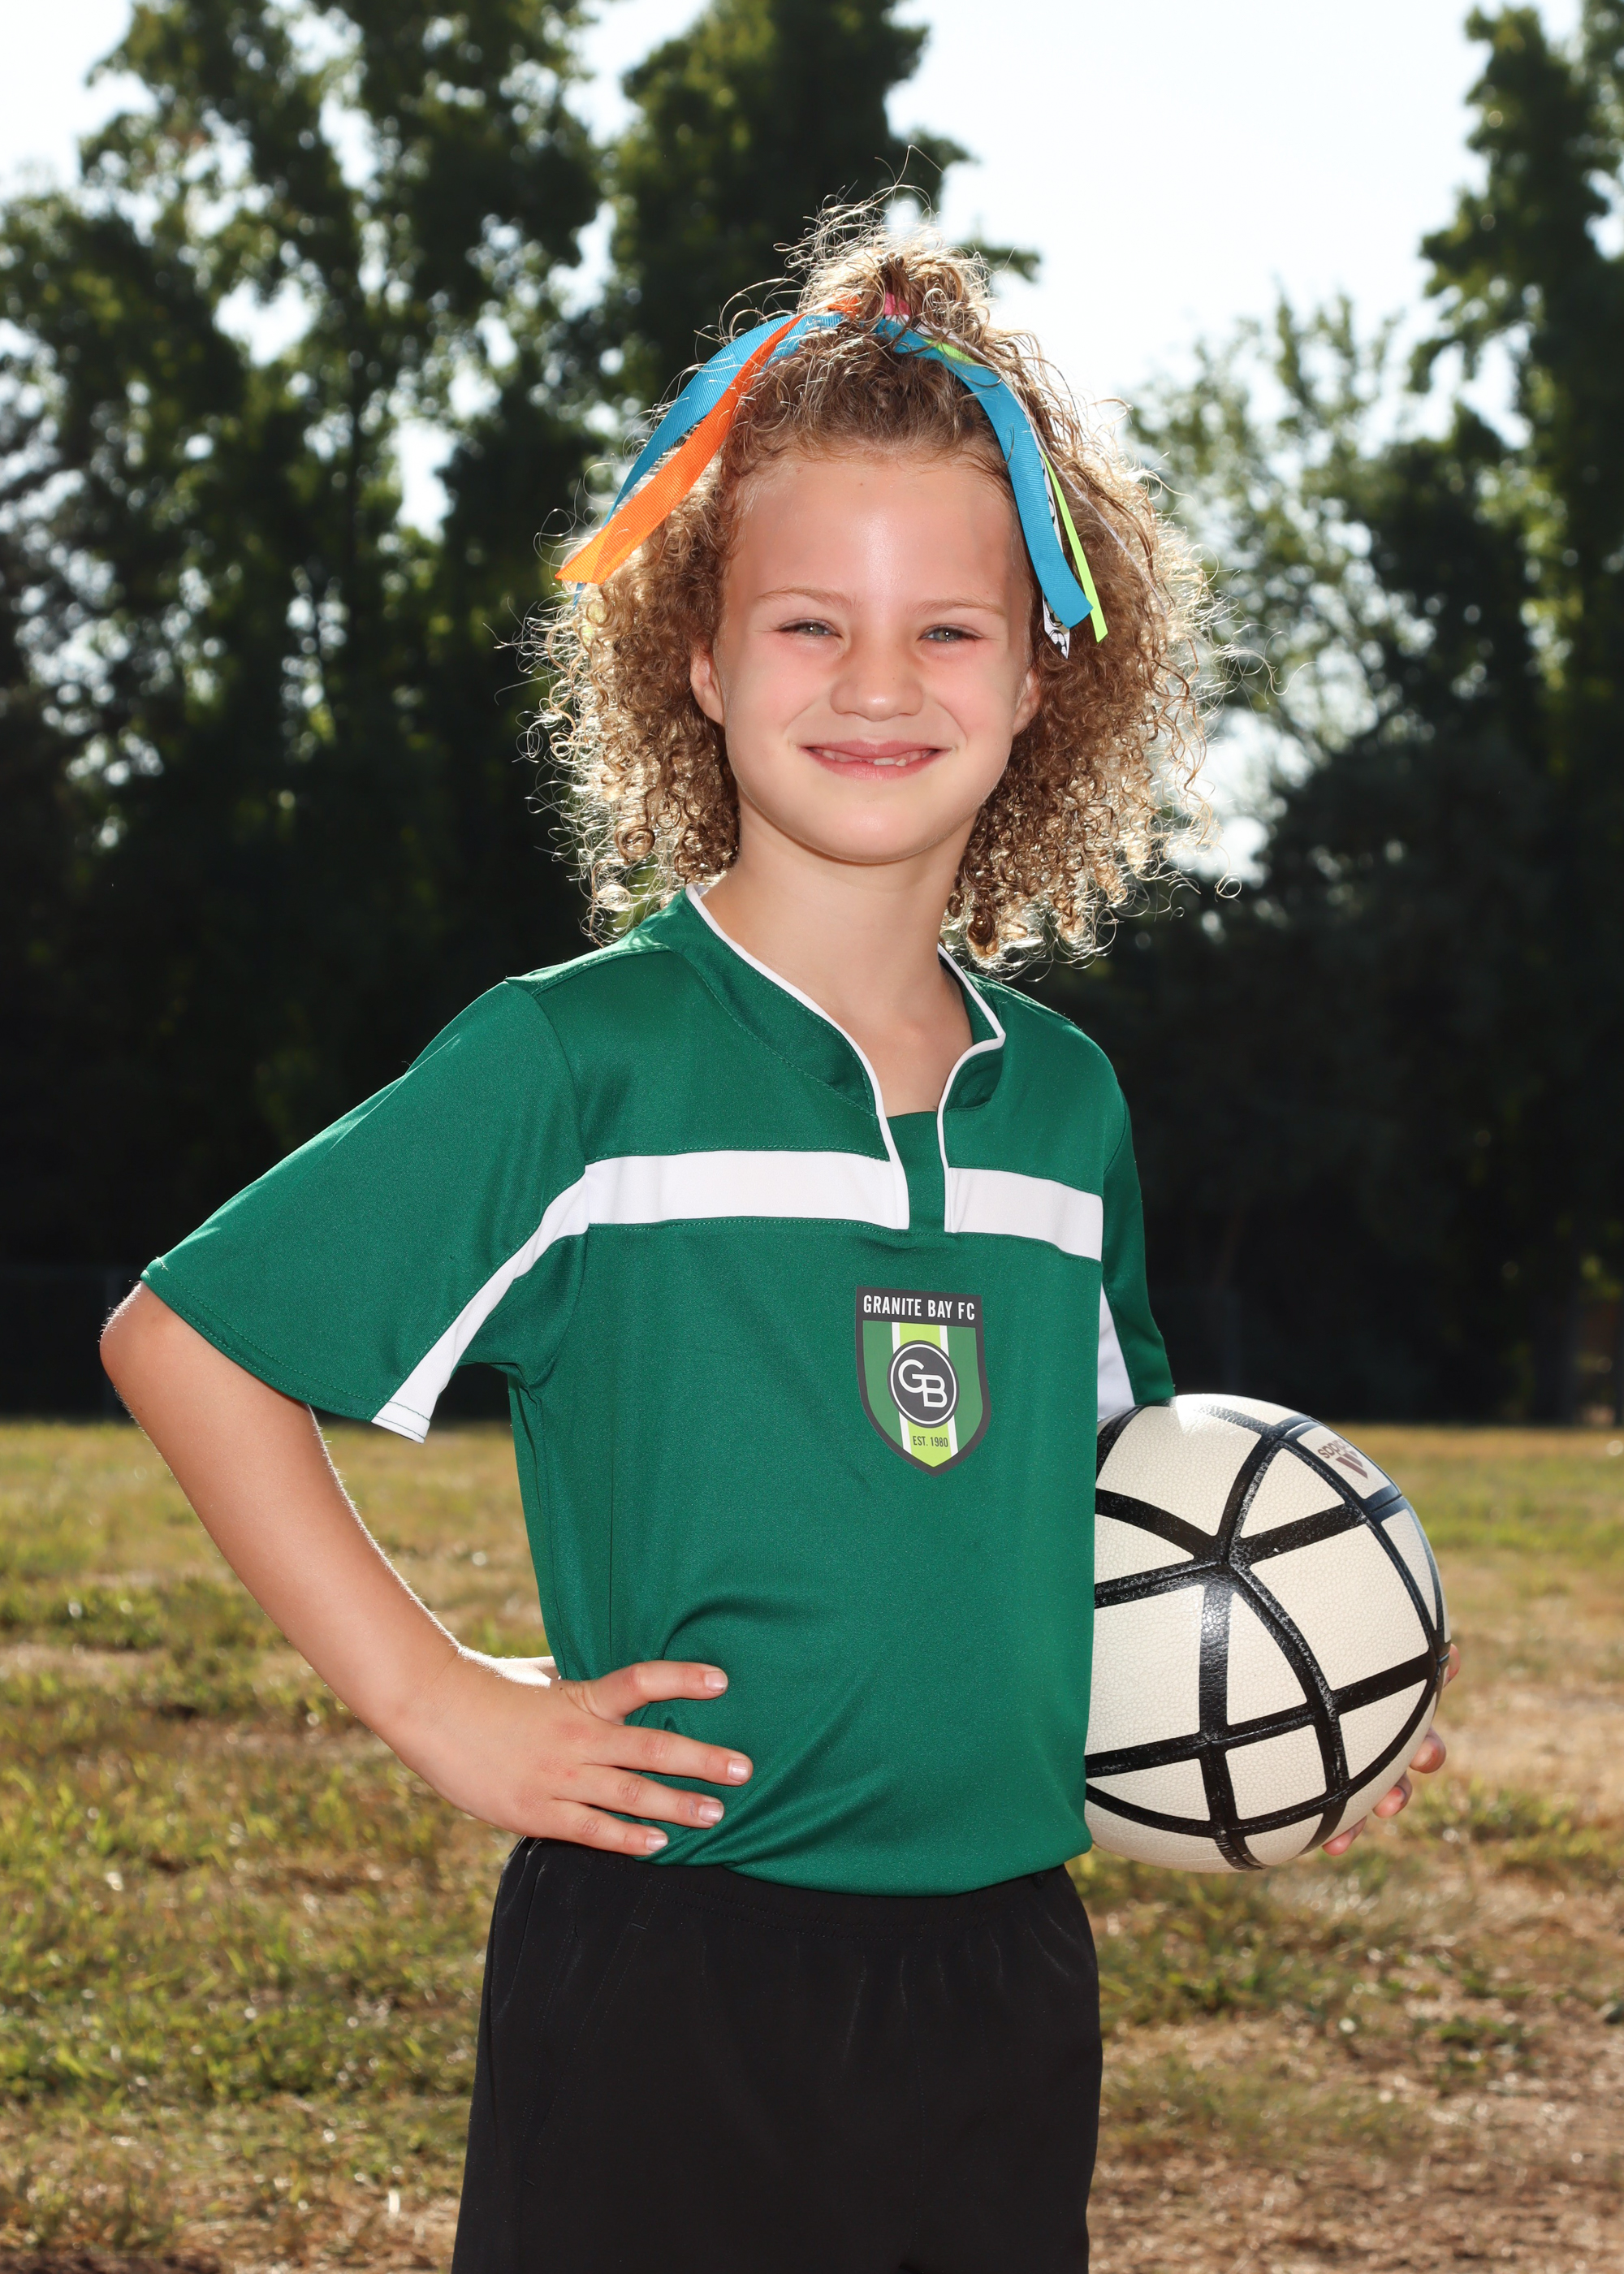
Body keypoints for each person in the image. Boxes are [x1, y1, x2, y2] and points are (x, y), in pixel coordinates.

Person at [101, 214, 1452, 2273]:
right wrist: (435, 1699)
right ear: (702, 659)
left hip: (1006, 1980)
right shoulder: (583, 1060)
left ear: (1043, 673)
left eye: (948, 630)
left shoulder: (1064, 1106)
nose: (878, 684)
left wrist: (1307, 1703)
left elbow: (1117, 1521)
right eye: (810, 623)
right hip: (668, 1968)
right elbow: (184, 1340)